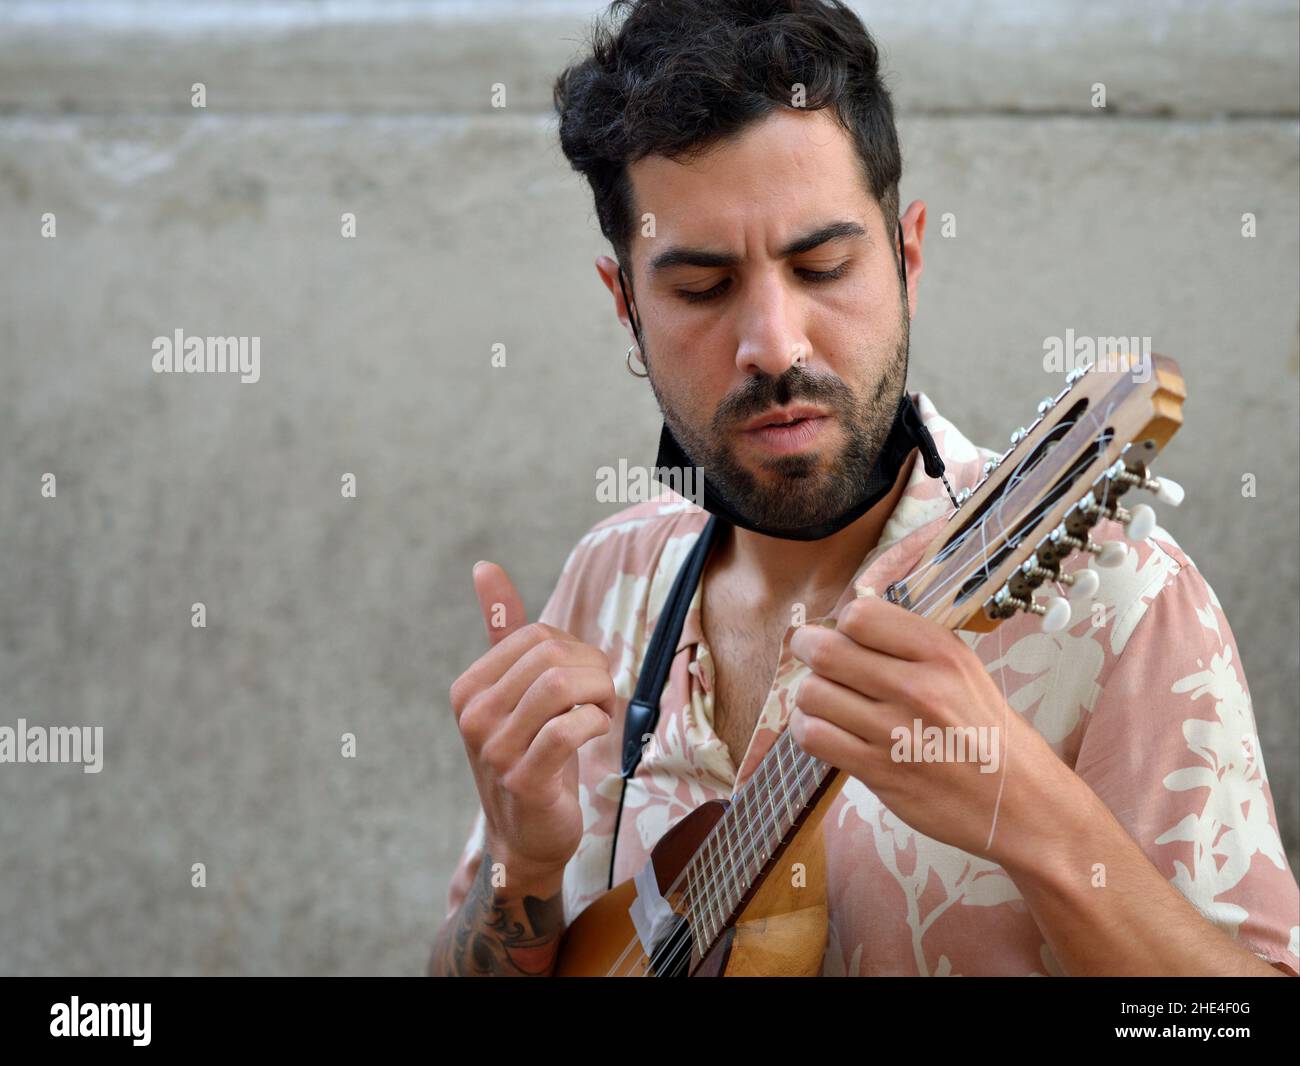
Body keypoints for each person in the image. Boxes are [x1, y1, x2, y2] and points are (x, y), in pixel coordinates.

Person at [427, 0, 1299, 977]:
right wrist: (522, 869)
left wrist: (1040, 825)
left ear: (906, 257)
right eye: (701, 288)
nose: (772, 343)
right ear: (624, 304)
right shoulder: (609, 579)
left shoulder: (1120, 601)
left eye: (822, 264)